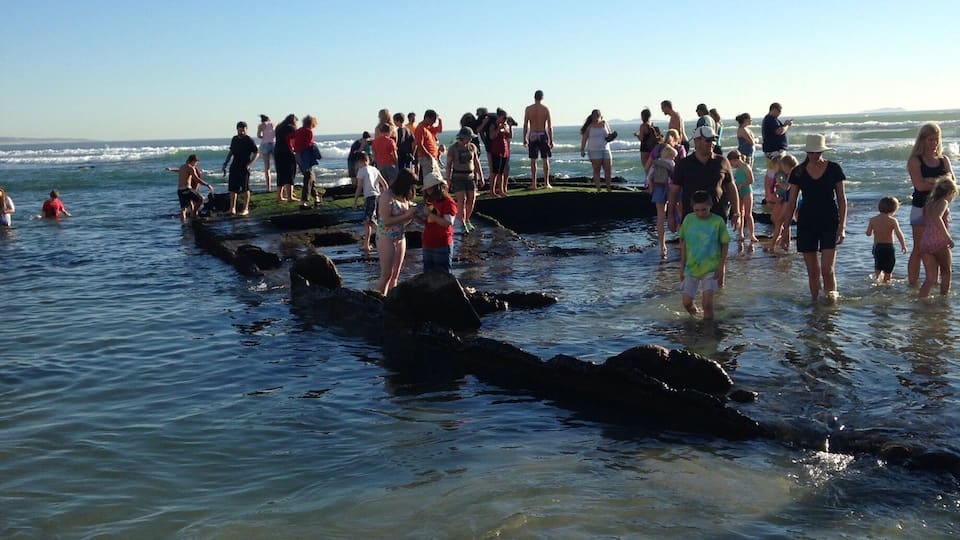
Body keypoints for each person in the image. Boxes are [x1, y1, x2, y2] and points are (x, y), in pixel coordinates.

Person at [781, 134, 848, 303]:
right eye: (811, 152)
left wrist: (842, 226)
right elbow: (792, 203)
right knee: (813, 271)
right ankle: (815, 303)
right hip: (806, 222)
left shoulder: (834, 169)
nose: (814, 155)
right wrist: (786, 229)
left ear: (822, 151)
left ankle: (831, 303)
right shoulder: (799, 171)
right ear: (806, 152)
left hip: (830, 220)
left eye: (817, 152)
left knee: (827, 269)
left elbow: (842, 199)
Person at [906, 122, 955, 285]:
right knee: (919, 249)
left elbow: (953, 185)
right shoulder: (916, 160)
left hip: (941, 210)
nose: (934, 143)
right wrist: (941, 182)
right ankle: (913, 284)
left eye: (936, 139)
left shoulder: (943, 160)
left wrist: (931, 181)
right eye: (930, 140)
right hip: (920, 208)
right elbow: (919, 185)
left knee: (941, 247)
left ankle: (936, 284)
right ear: (922, 140)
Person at [668, 125, 741, 232]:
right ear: (697, 141)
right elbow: (674, 191)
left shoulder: (722, 162)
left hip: (718, 216)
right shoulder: (684, 164)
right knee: (692, 248)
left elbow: (731, 188)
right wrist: (670, 216)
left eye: (713, 140)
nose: (711, 143)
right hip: (691, 218)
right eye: (708, 140)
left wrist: (736, 213)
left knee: (718, 248)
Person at [678, 190, 730, 320]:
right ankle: (695, 317)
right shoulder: (688, 219)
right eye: (697, 210)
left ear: (710, 206)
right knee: (686, 302)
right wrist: (682, 266)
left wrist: (721, 267)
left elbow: (725, 244)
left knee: (707, 304)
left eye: (704, 210)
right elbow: (683, 242)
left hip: (711, 268)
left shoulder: (717, 222)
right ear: (692, 208)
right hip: (692, 267)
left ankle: (708, 330)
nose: (700, 213)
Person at [375, 169, 419, 296]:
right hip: (386, 237)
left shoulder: (404, 196)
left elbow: (405, 220)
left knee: (396, 274)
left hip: (400, 236)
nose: (412, 188)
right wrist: (408, 214)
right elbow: (387, 220)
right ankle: (379, 300)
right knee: (386, 274)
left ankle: (391, 299)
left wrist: (414, 215)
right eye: (411, 185)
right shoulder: (387, 196)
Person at [918, 176, 957, 298]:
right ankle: (943, 299)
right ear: (951, 192)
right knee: (946, 272)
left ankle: (921, 300)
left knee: (930, 278)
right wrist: (948, 237)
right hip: (939, 241)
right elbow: (937, 217)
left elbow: (927, 220)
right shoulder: (943, 202)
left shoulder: (929, 203)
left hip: (926, 241)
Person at [446, 126, 483, 233]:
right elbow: (448, 165)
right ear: (462, 137)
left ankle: (466, 220)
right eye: (469, 138)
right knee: (462, 200)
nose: (470, 140)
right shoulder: (453, 148)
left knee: (472, 200)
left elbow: (476, 162)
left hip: (470, 177)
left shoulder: (472, 147)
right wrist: (448, 179)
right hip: (458, 177)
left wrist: (480, 176)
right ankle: (461, 223)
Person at [420, 172, 458, 273]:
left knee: (442, 276)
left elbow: (447, 223)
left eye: (430, 188)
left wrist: (430, 214)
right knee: (428, 275)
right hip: (428, 242)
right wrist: (415, 217)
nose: (428, 192)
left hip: (442, 244)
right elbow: (429, 222)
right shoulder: (430, 201)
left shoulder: (449, 203)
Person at [352, 153, 389, 254]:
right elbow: (384, 183)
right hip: (377, 197)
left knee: (370, 220)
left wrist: (355, 201)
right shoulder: (374, 169)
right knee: (367, 222)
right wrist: (387, 196)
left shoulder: (361, 171)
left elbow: (359, 187)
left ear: (362, 162)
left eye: (357, 163)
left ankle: (386, 235)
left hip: (369, 197)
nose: (356, 166)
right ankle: (366, 244)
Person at [866, 196, 908, 282]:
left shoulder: (873, 220)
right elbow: (899, 233)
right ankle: (887, 282)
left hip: (877, 247)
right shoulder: (893, 220)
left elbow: (868, 233)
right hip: (889, 247)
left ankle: (876, 280)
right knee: (888, 268)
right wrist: (903, 245)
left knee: (878, 266)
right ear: (894, 210)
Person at [221, 121, 259, 216]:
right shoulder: (234, 139)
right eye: (240, 130)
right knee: (232, 189)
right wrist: (225, 163)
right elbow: (231, 152)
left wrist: (249, 164)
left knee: (245, 188)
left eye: (244, 130)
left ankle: (245, 209)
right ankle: (232, 208)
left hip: (244, 166)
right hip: (234, 166)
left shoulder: (249, 140)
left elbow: (256, 153)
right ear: (237, 129)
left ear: (246, 130)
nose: (242, 132)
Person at [647, 145, 677, 258]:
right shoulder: (671, 164)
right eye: (674, 157)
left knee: (660, 218)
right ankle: (683, 241)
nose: (674, 159)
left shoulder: (655, 164)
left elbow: (649, 178)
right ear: (670, 156)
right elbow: (675, 178)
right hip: (669, 189)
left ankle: (662, 245)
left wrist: (650, 188)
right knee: (674, 213)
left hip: (658, 190)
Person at [766, 154, 799, 252]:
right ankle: (785, 243)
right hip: (786, 199)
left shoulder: (794, 174)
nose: (783, 169)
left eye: (784, 167)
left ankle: (773, 244)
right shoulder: (789, 174)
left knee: (780, 221)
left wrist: (779, 182)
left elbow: (787, 187)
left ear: (788, 166)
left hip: (790, 201)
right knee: (783, 222)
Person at [522, 90, 554, 189]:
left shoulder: (528, 109)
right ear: (542, 97)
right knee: (545, 159)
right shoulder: (545, 109)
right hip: (542, 134)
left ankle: (534, 183)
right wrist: (551, 140)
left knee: (533, 160)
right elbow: (549, 126)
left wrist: (524, 138)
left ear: (534, 97)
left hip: (532, 134)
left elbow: (525, 125)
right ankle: (546, 183)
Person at [727, 149, 757, 243]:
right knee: (740, 213)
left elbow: (751, 180)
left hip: (747, 191)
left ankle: (752, 234)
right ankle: (741, 234)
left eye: (731, 163)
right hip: (739, 192)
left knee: (748, 214)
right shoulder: (737, 170)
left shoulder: (745, 167)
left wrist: (742, 184)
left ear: (735, 160)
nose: (731, 166)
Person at [579, 109, 614, 191]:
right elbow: (584, 138)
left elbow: (609, 134)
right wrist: (582, 149)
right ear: (592, 116)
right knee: (596, 170)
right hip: (594, 151)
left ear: (600, 116)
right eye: (595, 117)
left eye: (598, 117)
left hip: (606, 149)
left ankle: (608, 188)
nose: (596, 119)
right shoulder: (589, 126)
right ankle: (599, 189)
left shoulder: (604, 123)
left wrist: (612, 136)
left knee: (608, 169)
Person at [293, 116, 322, 208]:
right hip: (305, 156)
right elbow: (309, 144)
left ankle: (316, 197)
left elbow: (292, 140)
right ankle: (303, 201)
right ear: (312, 123)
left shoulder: (298, 131)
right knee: (308, 178)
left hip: (298, 155)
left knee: (310, 177)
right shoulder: (308, 131)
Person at [176, 154, 213, 220]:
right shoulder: (190, 168)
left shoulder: (181, 167)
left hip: (180, 191)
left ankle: (184, 226)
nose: (196, 164)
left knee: (183, 209)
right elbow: (196, 179)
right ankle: (193, 213)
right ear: (193, 161)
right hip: (187, 189)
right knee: (201, 199)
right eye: (196, 162)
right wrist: (207, 184)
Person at [274, 114, 298, 202]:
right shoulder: (291, 128)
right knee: (290, 173)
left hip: (277, 152)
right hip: (287, 152)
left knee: (280, 173)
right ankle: (290, 197)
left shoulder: (279, 127)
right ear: (293, 120)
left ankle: (279, 196)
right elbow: (294, 141)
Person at [489, 109, 513, 197]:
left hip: (504, 151)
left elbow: (510, 136)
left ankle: (501, 190)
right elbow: (492, 136)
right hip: (496, 151)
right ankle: (492, 191)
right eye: (504, 118)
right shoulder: (493, 125)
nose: (505, 120)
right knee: (494, 172)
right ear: (498, 117)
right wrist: (498, 129)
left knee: (501, 172)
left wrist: (510, 126)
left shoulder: (505, 125)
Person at [415, 110, 443, 179]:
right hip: (426, 159)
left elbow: (439, 130)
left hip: (432, 158)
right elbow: (419, 144)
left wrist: (440, 120)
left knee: (436, 179)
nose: (433, 123)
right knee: (430, 179)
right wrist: (428, 155)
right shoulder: (420, 128)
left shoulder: (428, 127)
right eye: (433, 120)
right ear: (427, 118)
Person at [257, 114, 275, 192]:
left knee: (267, 167)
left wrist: (263, 137)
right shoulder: (273, 124)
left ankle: (268, 188)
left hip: (265, 144)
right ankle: (281, 186)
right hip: (274, 144)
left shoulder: (261, 125)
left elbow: (258, 135)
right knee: (277, 165)